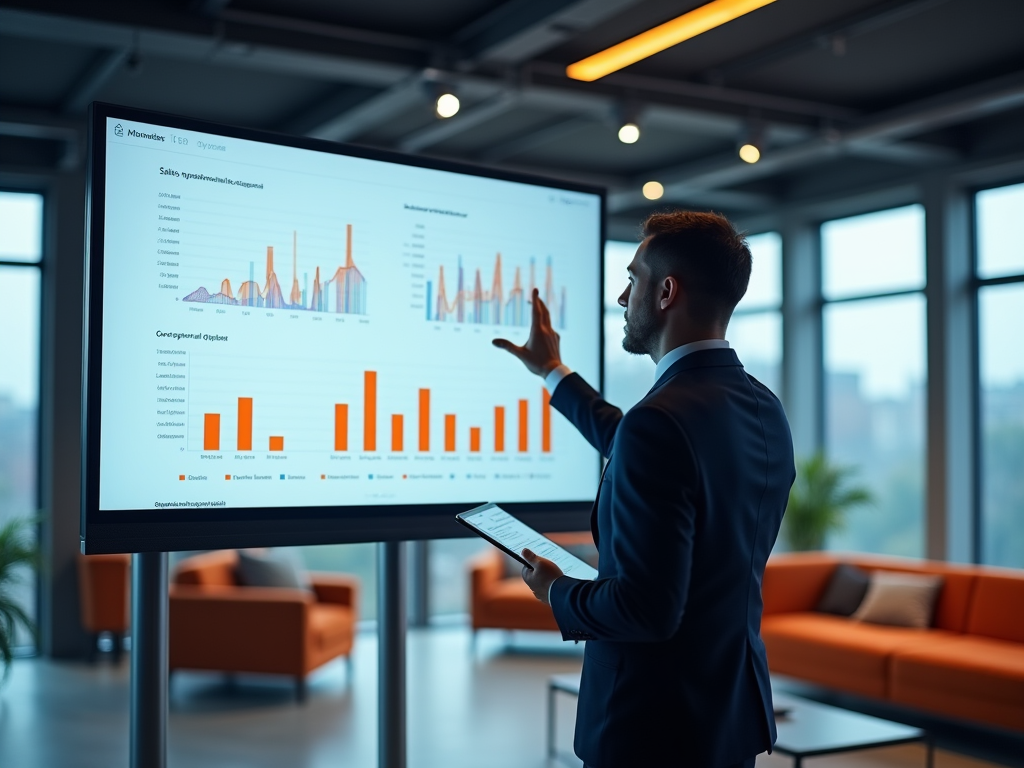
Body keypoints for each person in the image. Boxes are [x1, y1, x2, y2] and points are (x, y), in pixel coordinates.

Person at [493, 210, 795, 768]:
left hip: (650, 730)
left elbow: (647, 610)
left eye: (633, 278)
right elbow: (639, 443)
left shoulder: (659, 423)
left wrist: (556, 591)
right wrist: (552, 371)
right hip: (727, 718)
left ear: (665, 292)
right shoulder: (763, 409)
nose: (621, 295)